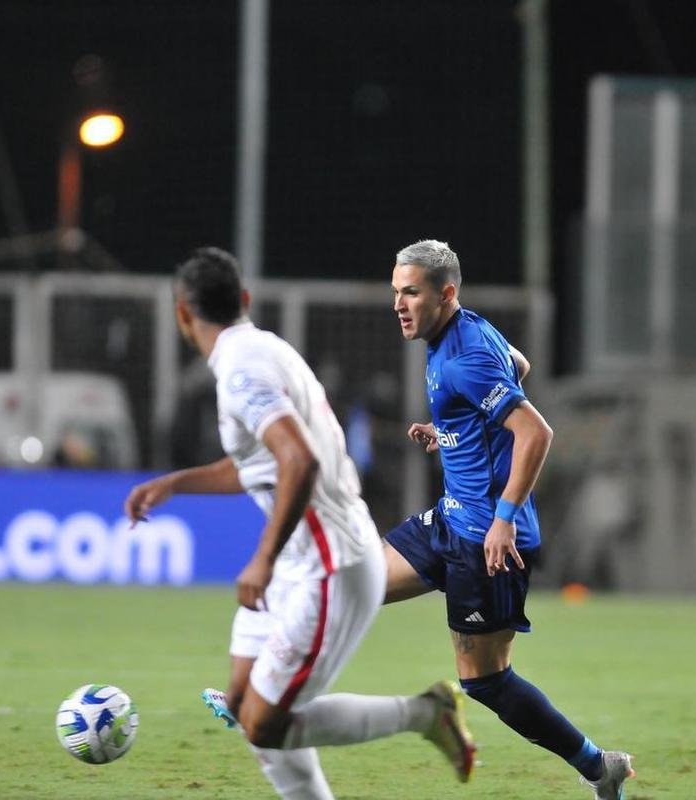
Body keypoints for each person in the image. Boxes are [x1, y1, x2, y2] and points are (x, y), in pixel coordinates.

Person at [123, 247, 475, 799]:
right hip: (303, 561)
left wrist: (261, 558)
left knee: (266, 720)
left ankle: (424, 714)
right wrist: (175, 484)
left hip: (329, 564)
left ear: (182, 315)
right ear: (244, 300)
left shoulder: (241, 371)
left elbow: (299, 462)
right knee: (245, 707)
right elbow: (265, 463)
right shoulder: (263, 349)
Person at [382, 239, 634, 800]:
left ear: (446, 293)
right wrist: (451, 433)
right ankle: (267, 699)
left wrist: (503, 519)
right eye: (396, 292)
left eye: (411, 293)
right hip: (451, 520)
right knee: (353, 585)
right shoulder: (459, 331)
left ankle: (599, 767)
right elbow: (518, 367)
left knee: (486, 682)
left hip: (487, 541)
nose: (399, 304)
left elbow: (536, 431)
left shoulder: (466, 354)